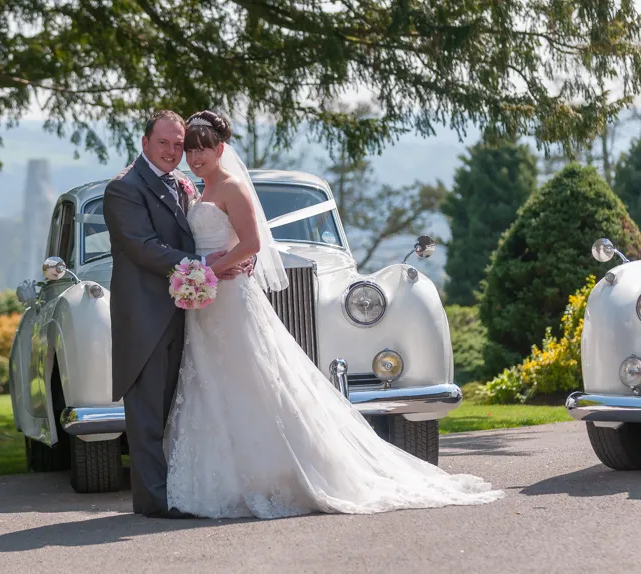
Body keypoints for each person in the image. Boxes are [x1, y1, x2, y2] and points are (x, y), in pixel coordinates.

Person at [163, 110, 505, 519]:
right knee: (215, 384)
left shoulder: (232, 188)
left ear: (221, 149)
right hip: (208, 303)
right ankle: (222, 475)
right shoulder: (198, 191)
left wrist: (208, 271)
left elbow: (252, 243)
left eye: (204, 148)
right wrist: (201, 273)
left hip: (229, 296)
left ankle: (280, 471)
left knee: (251, 380)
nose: (196, 156)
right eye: (191, 149)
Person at [102, 110, 251, 518]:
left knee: (182, 409)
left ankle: (184, 490)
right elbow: (143, 246)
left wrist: (237, 256)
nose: (172, 152)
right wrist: (208, 262)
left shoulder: (185, 184)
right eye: (163, 143)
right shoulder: (124, 188)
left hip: (192, 311)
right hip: (147, 315)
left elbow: (212, 227)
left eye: (177, 144)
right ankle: (154, 501)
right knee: (148, 413)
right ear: (145, 142)